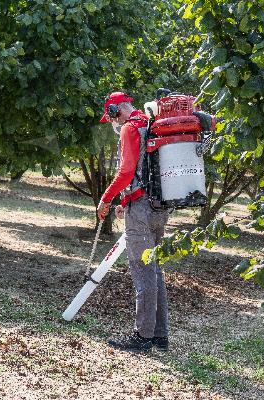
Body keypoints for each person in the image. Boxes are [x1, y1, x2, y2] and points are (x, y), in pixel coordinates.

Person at [98, 92, 169, 354]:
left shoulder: (130, 128)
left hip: (140, 209)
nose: (113, 123)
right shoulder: (151, 124)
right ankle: (160, 336)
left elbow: (126, 171)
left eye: (112, 117)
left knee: (142, 272)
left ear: (117, 110)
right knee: (155, 269)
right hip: (159, 207)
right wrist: (124, 205)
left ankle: (142, 337)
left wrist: (106, 199)